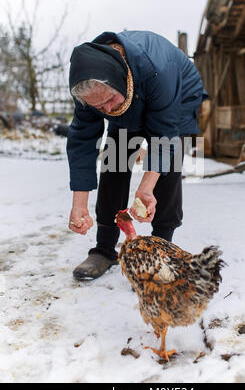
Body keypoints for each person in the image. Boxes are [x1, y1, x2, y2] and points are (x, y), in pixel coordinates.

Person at [67, 30, 208, 280]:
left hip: (177, 96)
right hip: (134, 97)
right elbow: (82, 141)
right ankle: (104, 249)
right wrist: (79, 203)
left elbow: (163, 138)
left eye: (109, 100)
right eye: (99, 107)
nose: (107, 109)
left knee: (167, 170)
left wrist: (146, 188)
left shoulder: (158, 69)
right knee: (115, 162)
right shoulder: (87, 89)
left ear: (119, 79)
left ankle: (160, 251)